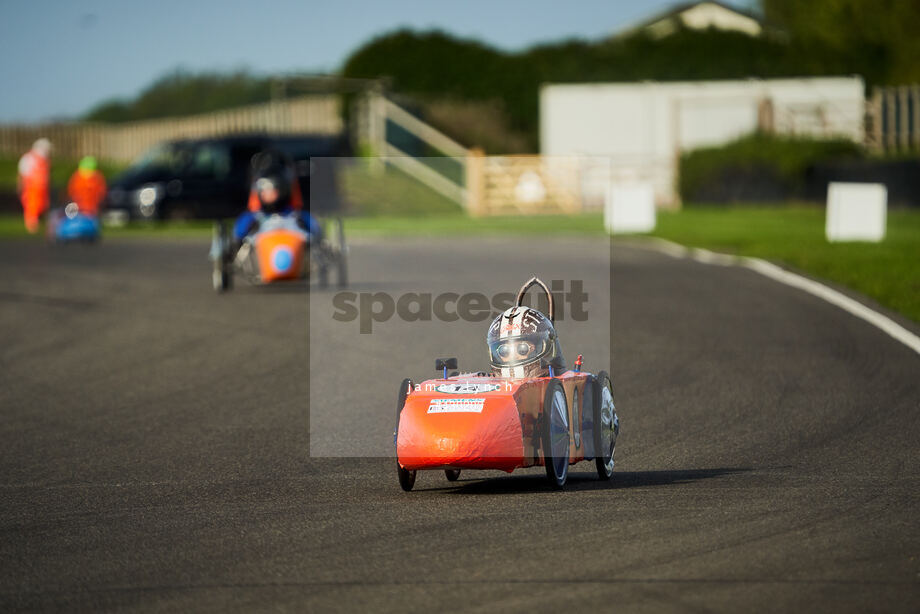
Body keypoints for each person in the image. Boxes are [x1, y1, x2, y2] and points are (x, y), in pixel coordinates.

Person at [233, 149, 321, 242]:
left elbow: (317, 233)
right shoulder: (252, 218)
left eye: (271, 189)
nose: (266, 194)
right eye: (263, 189)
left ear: (282, 189)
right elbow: (238, 235)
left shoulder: (298, 217)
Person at [487, 303, 565, 379]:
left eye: (522, 349)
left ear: (537, 348)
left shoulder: (558, 383)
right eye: (504, 351)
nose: (514, 356)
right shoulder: (488, 384)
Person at [17, 138, 52, 233]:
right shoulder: (29, 158)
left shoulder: (45, 160)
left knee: (43, 206)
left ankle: (41, 226)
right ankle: (32, 227)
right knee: (32, 207)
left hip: (42, 189)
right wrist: (21, 186)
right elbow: (23, 174)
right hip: (32, 188)